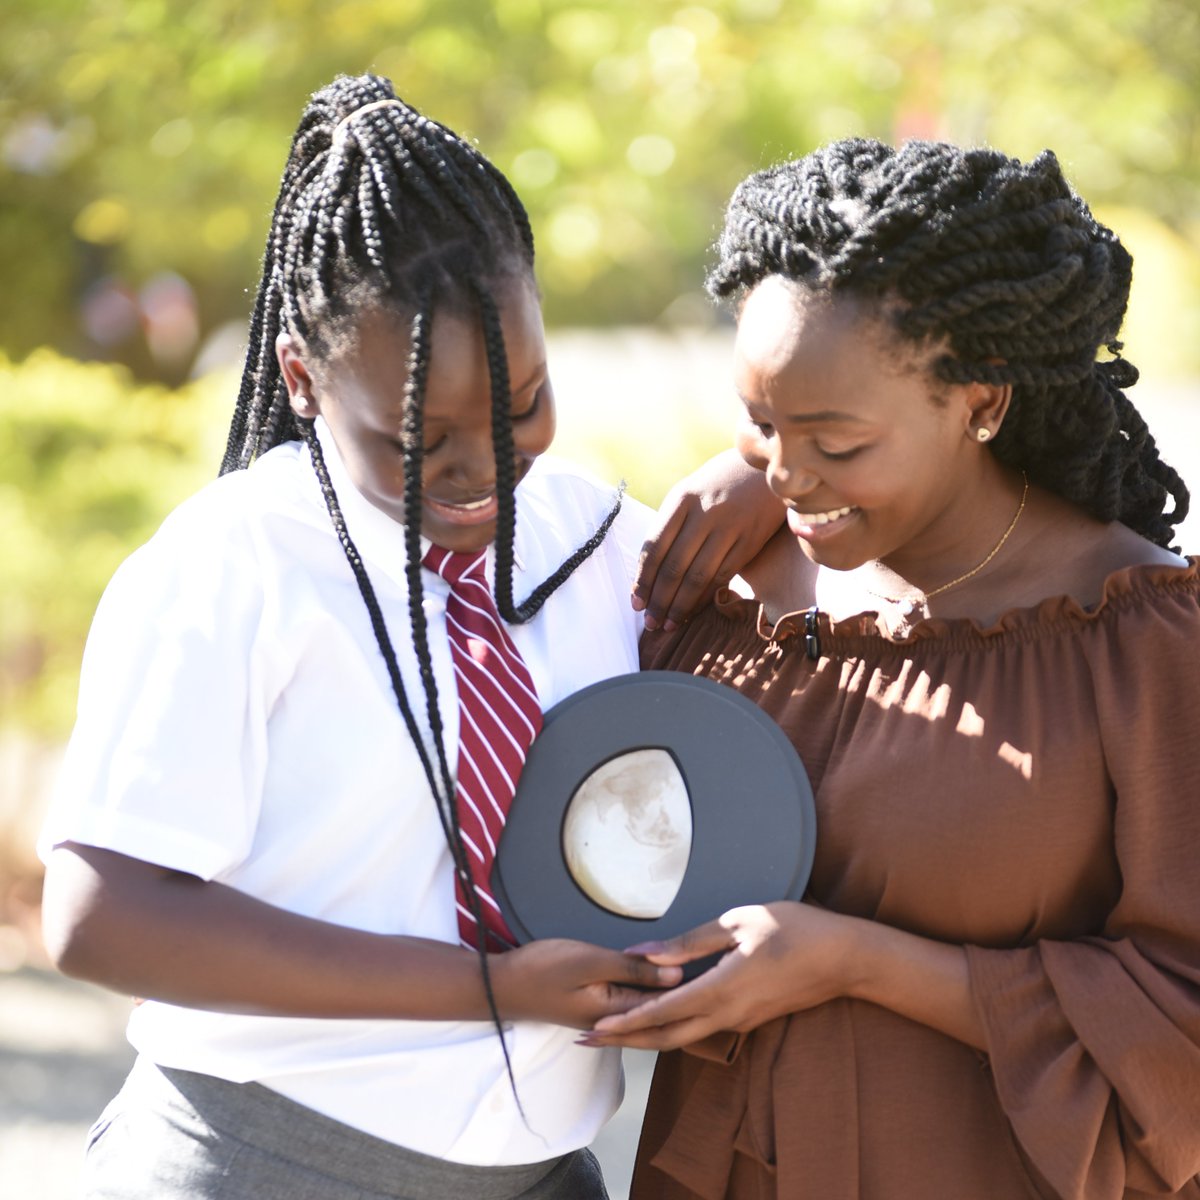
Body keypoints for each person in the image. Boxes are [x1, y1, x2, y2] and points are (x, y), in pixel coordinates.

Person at [37, 74, 779, 1199]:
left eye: (522, 406)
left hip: (536, 1176)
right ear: (302, 377)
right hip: (260, 1166)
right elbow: (102, 918)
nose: (485, 469)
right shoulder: (235, 567)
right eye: (420, 437)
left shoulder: (596, 538)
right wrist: (488, 988)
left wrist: (764, 467)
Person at [580, 139, 1200, 1200]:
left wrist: (859, 962)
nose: (789, 475)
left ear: (981, 402)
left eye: (837, 443)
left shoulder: (1136, 642)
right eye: (761, 424)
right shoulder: (722, 585)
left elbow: (1180, 1022)